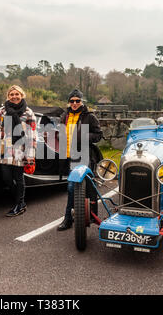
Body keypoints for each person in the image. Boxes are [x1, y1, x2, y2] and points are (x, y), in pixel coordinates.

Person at [57, 89, 103, 231]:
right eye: (72, 101)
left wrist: (84, 137)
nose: (75, 103)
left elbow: (98, 135)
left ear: (82, 101)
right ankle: (78, 214)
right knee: (75, 187)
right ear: (69, 102)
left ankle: (69, 218)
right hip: (68, 156)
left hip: (83, 156)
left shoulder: (89, 117)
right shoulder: (65, 115)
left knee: (73, 187)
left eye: (77, 101)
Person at [0, 85, 37, 217]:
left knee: (18, 177)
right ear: (8, 96)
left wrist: (30, 155)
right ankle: (19, 201)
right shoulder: (3, 111)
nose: (14, 96)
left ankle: (20, 204)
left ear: (22, 95)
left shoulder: (28, 112)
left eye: (17, 94)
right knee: (6, 178)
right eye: (11, 94)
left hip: (21, 148)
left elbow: (32, 135)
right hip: (6, 148)